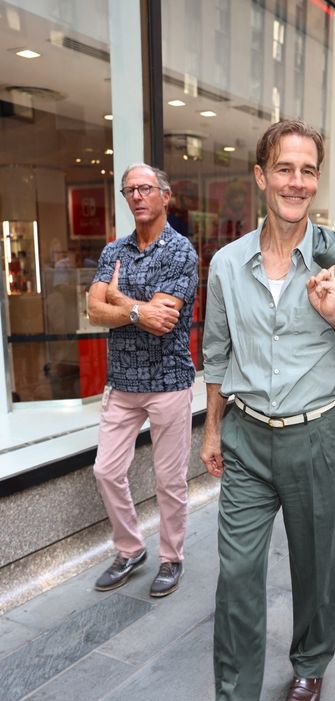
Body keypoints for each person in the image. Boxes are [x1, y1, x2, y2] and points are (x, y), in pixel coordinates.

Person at [177, 119, 335, 701]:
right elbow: (217, 355)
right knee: (237, 572)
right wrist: (212, 427)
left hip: (314, 435)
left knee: (316, 565)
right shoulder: (227, 265)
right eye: (284, 169)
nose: (296, 182)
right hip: (246, 438)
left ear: (315, 180)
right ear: (261, 176)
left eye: (307, 170)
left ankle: (309, 663)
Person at [88, 163, 198, 597]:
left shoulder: (180, 252)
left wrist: (115, 296)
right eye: (130, 189)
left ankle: (171, 558)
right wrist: (131, 307)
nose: (137, 196)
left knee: (169, 482)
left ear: (164, 196)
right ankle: (131, 547)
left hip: (168, 381)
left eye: (145, 188)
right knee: (105, 470)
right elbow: (95, 311)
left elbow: (163, 320)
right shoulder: (112, 251)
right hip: (122, 384)